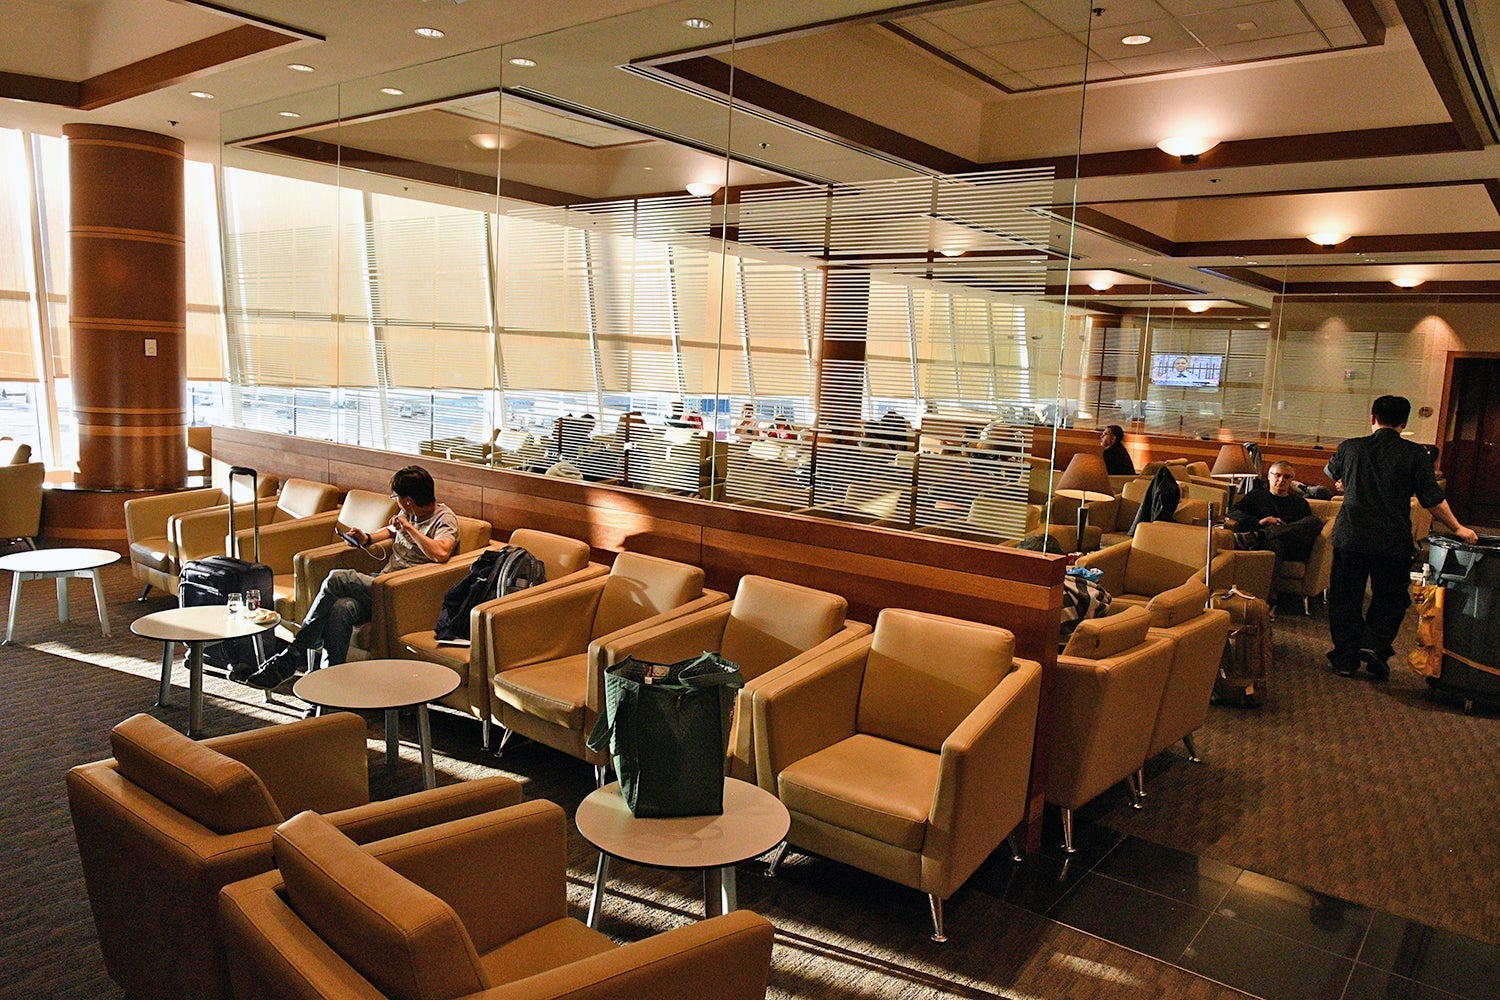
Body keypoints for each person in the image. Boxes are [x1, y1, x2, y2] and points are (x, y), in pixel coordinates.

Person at [242, 465, 460, 688]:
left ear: (408, 500)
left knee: (338, 578)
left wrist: (409, 528)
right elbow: (391, 531)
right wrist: (366, 538)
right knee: (341, 608)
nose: (396, 502)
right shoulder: (410, 513)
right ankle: (327, 684)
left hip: (402, 592)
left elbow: (441, 553)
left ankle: (294, 653)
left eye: (396, 497)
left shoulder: (444, 519)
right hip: (382, 583)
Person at [1324, 395, 1476, 680]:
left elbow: (1332, 472)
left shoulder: (1350, 447)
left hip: (1352, 536)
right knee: (1391, 598)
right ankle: (1374, 645)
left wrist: (1346, 479)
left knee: (1345, 598)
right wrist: (1457, 528)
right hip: (1391, 539)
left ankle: (1345, 658)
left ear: (1372, 417)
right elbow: (1432, 499)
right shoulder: (1415, 454)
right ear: (1404, 422)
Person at [1226, 460, 1324, 610]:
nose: (1281, 480)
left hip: (1291, 546)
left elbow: (1305, 533)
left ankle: (1261, 535)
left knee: (1314, 521)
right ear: (1269, 476)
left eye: (1287, 477)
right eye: (1277, 475)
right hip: (1266, 544)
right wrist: (1260, 521)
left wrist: (1284, 530)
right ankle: (1269, 601)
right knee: (1274, 544)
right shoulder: (1256, 496)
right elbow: (1233, 512)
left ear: (1292, 480)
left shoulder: (1300, 503)